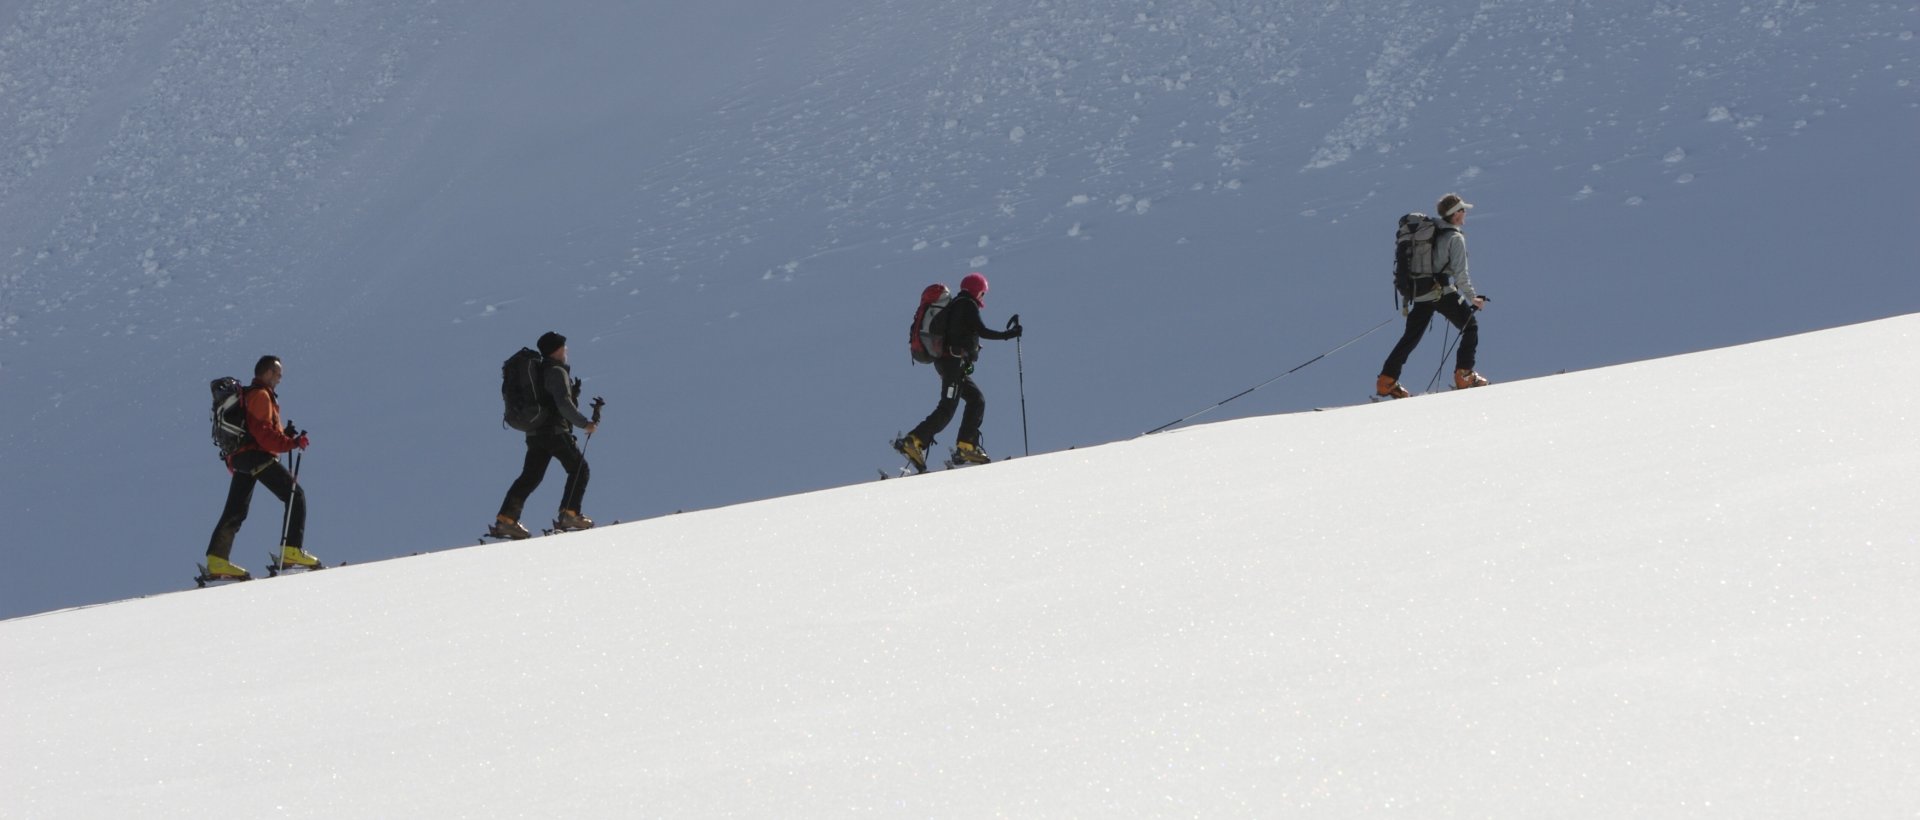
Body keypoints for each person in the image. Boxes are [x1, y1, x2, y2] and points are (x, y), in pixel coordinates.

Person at [204, 355, 318, 580]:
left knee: (236, 509)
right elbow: (263, 435)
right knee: (295, 495)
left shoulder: (253, 396)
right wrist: (292, 443)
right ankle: (292, 553)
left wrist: (285, 435)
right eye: (277, 372)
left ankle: (217, 561)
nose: (280, 377)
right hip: (255, 456)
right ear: (266, 372)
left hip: (242, 459)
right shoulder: (260, 396)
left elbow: (259, 431)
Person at [893, 272, 1022, 469]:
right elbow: (982, 330)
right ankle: (914, 441)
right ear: (976, 290)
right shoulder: (966, 305)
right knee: (947, 408)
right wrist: (1008, 335)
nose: (983, 297)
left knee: (976, 399)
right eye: (982, 293)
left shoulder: (957, 305)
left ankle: (966, 445)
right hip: (952, 364)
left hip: (952, 364)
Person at [1375, 193, 1490, 398]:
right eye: (1462, 210)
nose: (1465, 213)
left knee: (1410, 337)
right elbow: (1461, 275)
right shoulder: (1454, 238)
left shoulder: (1433, 232)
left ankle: (1386, 381)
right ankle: (1464, 374)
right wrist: (1473, 297)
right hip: (1442, 292)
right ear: (1455, 215)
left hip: (1421, 293)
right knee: (1470, 326)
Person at [491, 332, 598, 539]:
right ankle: (570, 514)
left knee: (530, 477)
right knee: (579, 469)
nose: (566, 350)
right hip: (554, 431)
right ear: (556, 350)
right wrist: (585, 423)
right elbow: (563, 403)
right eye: (563, 347)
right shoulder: (556, 371)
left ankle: (506, 520)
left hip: (535, 433)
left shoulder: (538, 371)